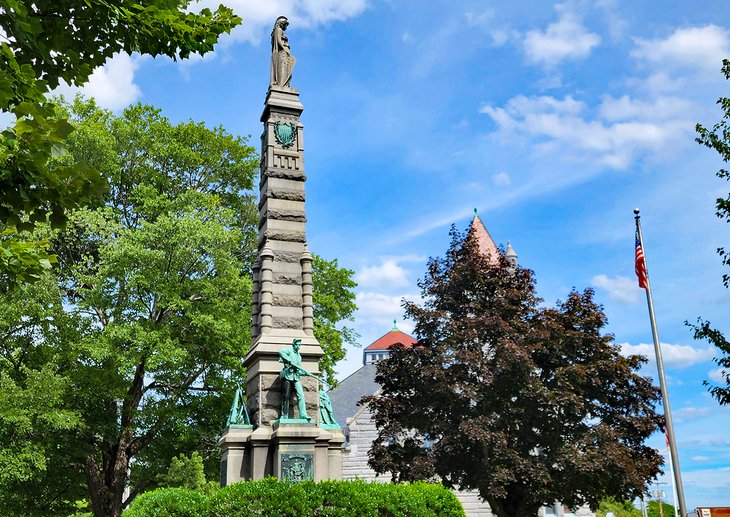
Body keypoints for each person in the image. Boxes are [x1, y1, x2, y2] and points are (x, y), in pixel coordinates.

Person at [279, 338, 311, 420]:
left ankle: (303, 414)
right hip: (288, 376)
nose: (298, 346)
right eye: (297, 344)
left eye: (299, 345)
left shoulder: (299, 357)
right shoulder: (289, 351)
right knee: (286, 396)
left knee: (301, 395)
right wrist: (289, 360)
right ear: (293, 344)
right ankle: (284, 415)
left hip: (296, 378)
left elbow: (299, 370)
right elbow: (281, 352)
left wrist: (305, 373)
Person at [270, 16, 295, 87]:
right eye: (285, 25)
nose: (286, 27)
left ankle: (284, 84)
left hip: (281, 53)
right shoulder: (279, 30)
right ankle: (283, 84)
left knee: (286, 70)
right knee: (284, 70)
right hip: (282, 53)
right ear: (281, 23)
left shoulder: (276, 30)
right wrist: (284, 49)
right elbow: (278, 40)